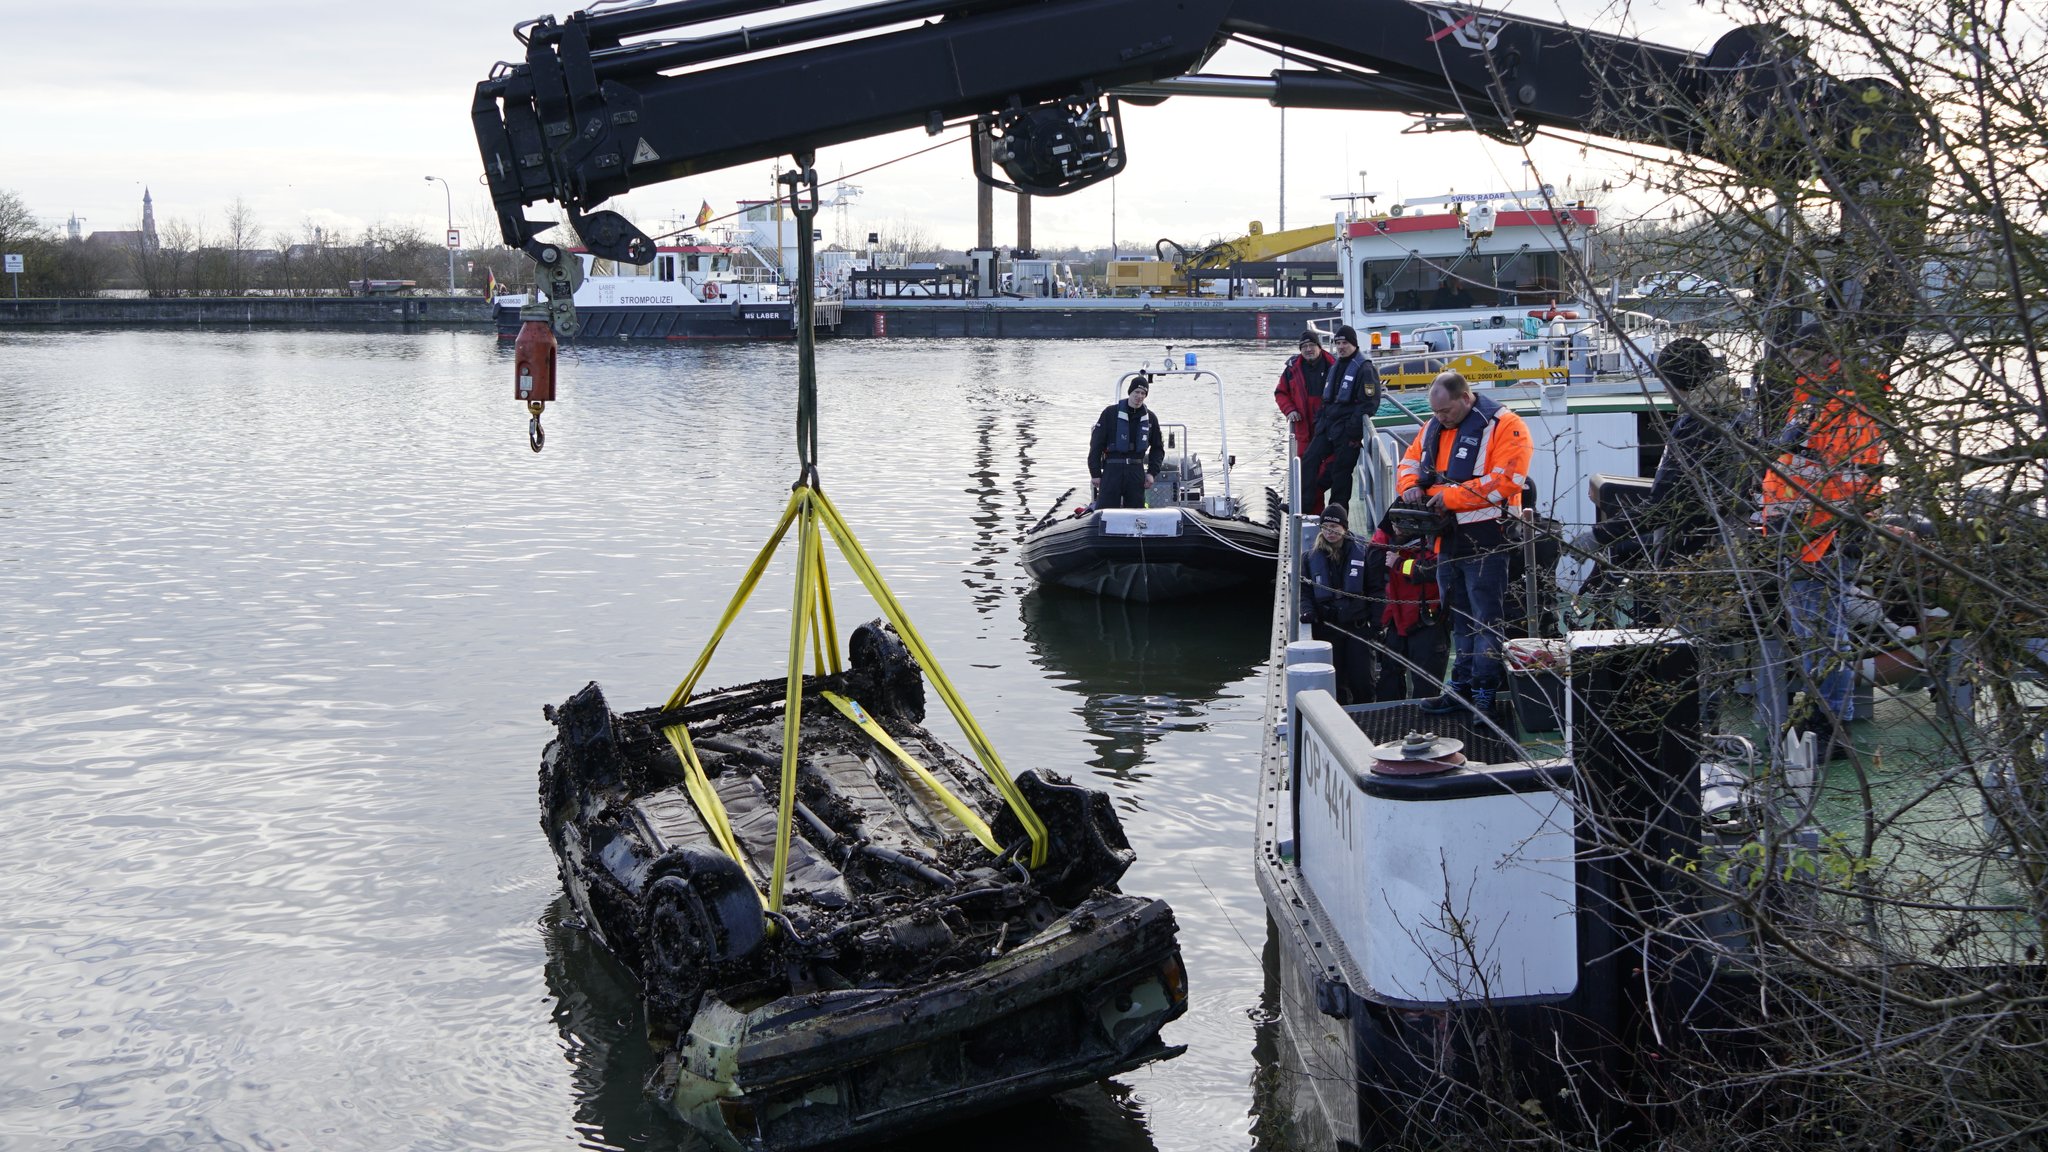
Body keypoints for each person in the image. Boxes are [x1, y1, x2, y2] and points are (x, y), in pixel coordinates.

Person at [1760, 324, 1885, 758]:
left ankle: (1828, 724)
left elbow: (1836, 476)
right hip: (1805, 536)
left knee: (1824, 637)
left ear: (1817, 354)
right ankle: (1824, 719)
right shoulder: (1817, 399)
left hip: (1820, 539)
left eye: (1797, 353)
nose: (1790, 361)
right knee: (1819, 634)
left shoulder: (1841, 405)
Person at [1561, 336, 1753, 587]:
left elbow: (1667, 503)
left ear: (1676, 382)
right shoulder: (1736, 415)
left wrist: (1600, 535)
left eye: (1665, 382)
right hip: (1727, 550)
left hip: (1698, 563)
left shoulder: (1699, 426)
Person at [1397, 370, 1534, 716]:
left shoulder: (1506, 425)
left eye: (1446, 412)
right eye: (1436, 412)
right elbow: (1409, 461)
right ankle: (1460, 689)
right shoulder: (1433, 427)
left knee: (1486, 620)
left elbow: (1506, 481)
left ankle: (1485, 693)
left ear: (1464, 397)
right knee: (1458, 619)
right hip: (1448, 541)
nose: (1440, 418)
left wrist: (1450, 497)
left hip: (1488, 541)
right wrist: (1409, 485)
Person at [1366, 506, 1449, 700]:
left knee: (1426, 683)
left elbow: (1435, 569)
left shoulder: (1435, 541)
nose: (1397, 529)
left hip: (1427, 621)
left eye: (1401, 524)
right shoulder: (1393, 544)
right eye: (1394, 523)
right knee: (1389, 677)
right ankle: (1390, 717)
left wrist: (1399, 564)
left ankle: (1424, 723)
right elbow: (1374, 561)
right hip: (1398, 621)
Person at [1300, 503, 1376, 704]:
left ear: (1344, 528)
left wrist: (1377, 623)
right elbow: (1305, 592)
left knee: (1363, 682)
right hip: (1328, 628)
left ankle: (1367, 720)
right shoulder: (1309, 558)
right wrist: (1307, 611)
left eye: (1334, 527)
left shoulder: (1363, 552)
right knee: (1336, 683)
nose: (1330, 532)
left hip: (1357, 627)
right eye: (1325, 527)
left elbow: (1375, 588)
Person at [1299, 325, 1382, 510]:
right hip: (1328, 426)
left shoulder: (1364, 368)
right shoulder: (1337, 365)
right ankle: (1304, 505)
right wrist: (1319, 421)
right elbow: (1327, 399)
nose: (1341, 346)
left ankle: (1337, 517)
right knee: (1309, 460)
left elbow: (1369, 403)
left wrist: (1353, 433)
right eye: (1338, 343)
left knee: (1341, 475)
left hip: (1346, 431)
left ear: (1353, 344)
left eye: (1345, 343)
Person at [1089, 375, 1165, 510]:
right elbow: (1096, 444)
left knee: (1137, 511)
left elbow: (1157, 448)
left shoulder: (1151, 418)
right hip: (1112, 469)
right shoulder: (1110, 413)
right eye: (1136, 392)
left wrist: (1152, 472)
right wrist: (1095, 473)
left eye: (1143, 393)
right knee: (1105, 511)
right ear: (1130, 392)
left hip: (1136, 471)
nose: (1139, 396)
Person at [1274, 330, 1330, 512]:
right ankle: (1307, 510)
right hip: (1303, 429)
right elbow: (1281, 393)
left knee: (1325, 471)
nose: (1308, 349)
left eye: (1311, 345)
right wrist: (1289, 410)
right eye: (1304, 346)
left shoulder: (1333, 365)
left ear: (1319, 347)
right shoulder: (1292, 369)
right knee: (1305, 471)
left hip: (1328, 428)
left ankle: (1328, 511)